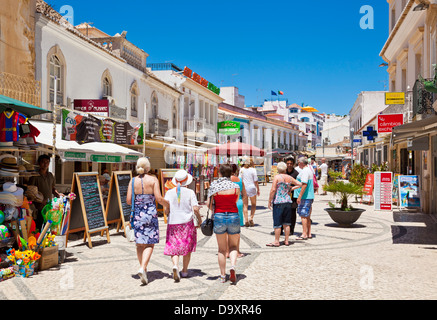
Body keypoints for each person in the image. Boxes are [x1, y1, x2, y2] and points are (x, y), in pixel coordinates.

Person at [126, 157, 169, 285]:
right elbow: (159, 198)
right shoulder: (153, 180)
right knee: (150, 243)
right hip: (150, 214)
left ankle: (142, 267)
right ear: (148, 167)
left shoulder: (132, 181)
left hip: (137, 214)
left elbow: (128, 201)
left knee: (139, 243)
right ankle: (143, 268)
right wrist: (168, 204)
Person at [163, 170, 201, 282]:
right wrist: (199, 219)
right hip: (186, 223)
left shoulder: (169, 192)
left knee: (174, 246)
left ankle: (175, 265)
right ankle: (184, 270)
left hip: (173, 223)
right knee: (187, 247)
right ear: (187, 181)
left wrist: (168, 212)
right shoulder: (190, 192)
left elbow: (166, 210)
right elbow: (195, 208)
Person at [207, 164, 240, 284]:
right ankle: (232, 266)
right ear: (231, 173)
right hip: (233, 215)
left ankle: (222, 275)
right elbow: (235, 201)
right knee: (233, 246)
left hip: (219, 216)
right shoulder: (235, 186)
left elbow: (208, 204)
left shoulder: (214, 186)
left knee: (221, 249)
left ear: (220, 173)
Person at [267, 162, 301, 247]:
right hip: (287, 201)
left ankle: (276, 241)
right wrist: (292, 188)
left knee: (277, 222)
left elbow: (273, 190)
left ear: (278, 169)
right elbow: (300, 184)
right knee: (286, 223)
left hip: (278, 201)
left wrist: (269, 200)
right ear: (285, 169)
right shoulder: (289, 178)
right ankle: (286, 240)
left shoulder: (277, 177)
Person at [28, 154, 63, 230]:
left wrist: (58, 194)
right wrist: (40, 200)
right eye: (43, 162)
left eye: (47, 162)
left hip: (49, 206)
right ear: (39, 163)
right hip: (38, 208)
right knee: (39, 227)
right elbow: (30, 192)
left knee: (48, 227)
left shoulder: (51, 175)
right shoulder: (34, 176)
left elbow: (52, 188)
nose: (45, 164)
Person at [294, 157, 315, 240]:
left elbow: (304, 184)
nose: (298, 164)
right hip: (308, 196)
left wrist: (299, 196)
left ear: (302, 163)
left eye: (299, 162)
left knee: (303, 215)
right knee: (307, 216)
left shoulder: (305, 171)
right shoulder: (308, 170)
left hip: (305, 197)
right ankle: (308, 232)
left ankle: (304, 233)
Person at [239, 159, 259, 227]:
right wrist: (258, 189)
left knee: (245, 205)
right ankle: (251, 218)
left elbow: (240, 179)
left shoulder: (241, 170)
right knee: (253, 204)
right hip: (252, 187)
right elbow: (255, 180)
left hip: (244, 188)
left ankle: (246, 220)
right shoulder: (253, 170)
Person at [231, 164, 245, 258]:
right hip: (238, 202)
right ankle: (237, 251)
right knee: (237, 230)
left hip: (229, 203)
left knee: (228, 230)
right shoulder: (240, 180)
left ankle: (228, 251)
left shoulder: (226, 181)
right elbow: (244, 194)